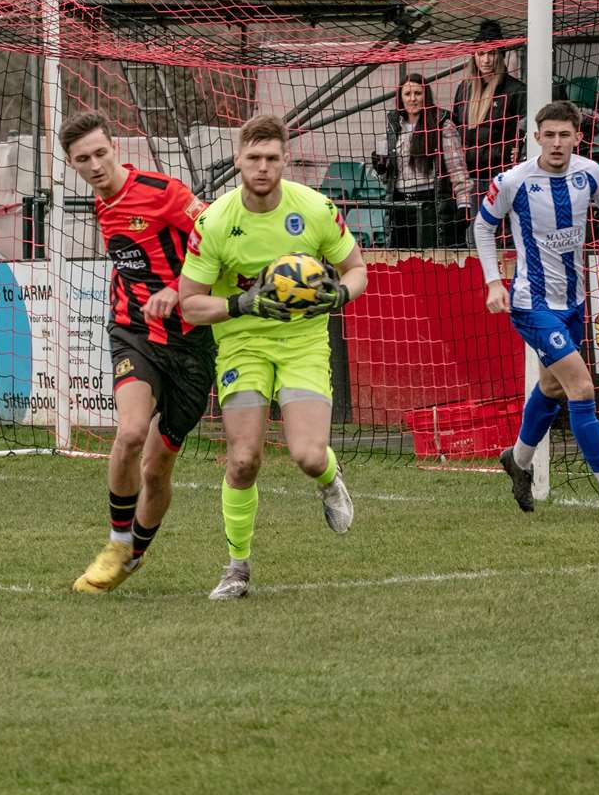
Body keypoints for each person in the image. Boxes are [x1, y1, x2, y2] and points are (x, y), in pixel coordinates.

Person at [178, 114, 366, 600]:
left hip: (303, 341)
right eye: (253, 158)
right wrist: (242, 303)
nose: (262, 167)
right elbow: (190, 304)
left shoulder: (317, 209)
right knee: (243, 459)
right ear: (239, 159)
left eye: (272, 159)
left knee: (307, 454)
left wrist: (338, 295)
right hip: (242, 343)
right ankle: (237, 567)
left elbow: (357, 270)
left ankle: (329, 479)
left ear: (286, 160)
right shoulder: (215, 222)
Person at [473, 100, 599, 516]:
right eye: (549, 135)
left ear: (578, 137)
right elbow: (483, 226)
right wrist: (493, 281)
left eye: (565, 135)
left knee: (553, 387)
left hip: (574, 301)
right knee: (581, 387)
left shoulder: (588, 172)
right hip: (531, 303)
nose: (557, 143)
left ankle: (518, 460)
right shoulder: (513, 181)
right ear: (536, 137)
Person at [62, 113, 216, 593]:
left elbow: (216, 234)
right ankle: (115, 541)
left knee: (157, 466)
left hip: (191, 344)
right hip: (134, 332)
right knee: (129, 433)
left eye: (100, 153)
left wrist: (177, 289)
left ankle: (135, 555)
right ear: (72, 164)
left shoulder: (162, 191)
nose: (94, 165)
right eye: (82, 159)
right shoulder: (101, 205)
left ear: (115, 148)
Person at [372, 73, 475, 248]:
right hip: (400, 206)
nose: (413, 99)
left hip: (431, 205)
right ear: (401, 98)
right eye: (407, 94)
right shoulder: (393, 125)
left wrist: (463, 205)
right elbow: (388, 177)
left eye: (418, 94)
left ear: (425, 96)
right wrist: (381, 170)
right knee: (403, 262)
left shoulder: (442, 123)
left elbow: (458, 170)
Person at [452, 20, 528, 195]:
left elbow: (526, 133)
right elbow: (456, 128)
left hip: (500, 178)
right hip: (468, 178)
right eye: (481, 53)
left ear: (501, 56)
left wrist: (515, 150)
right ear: (474, 56)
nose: (486, 60)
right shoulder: (464, 89)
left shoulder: (516, 91)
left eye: (492, 54)